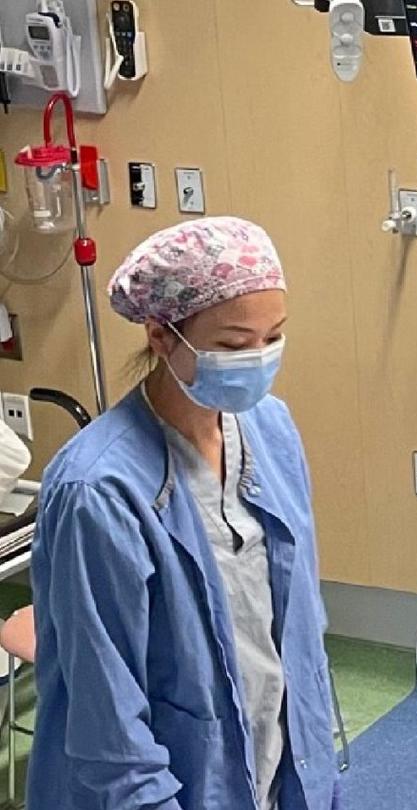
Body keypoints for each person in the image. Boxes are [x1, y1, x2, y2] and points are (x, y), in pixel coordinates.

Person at [29, 218, 339, 810]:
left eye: (273, 337)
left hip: (273, 765)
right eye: (231, 345)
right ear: (161, 336)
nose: (258, 359)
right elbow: (107, 727)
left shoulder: (271, 430)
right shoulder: (100, 492)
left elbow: (299, 634)